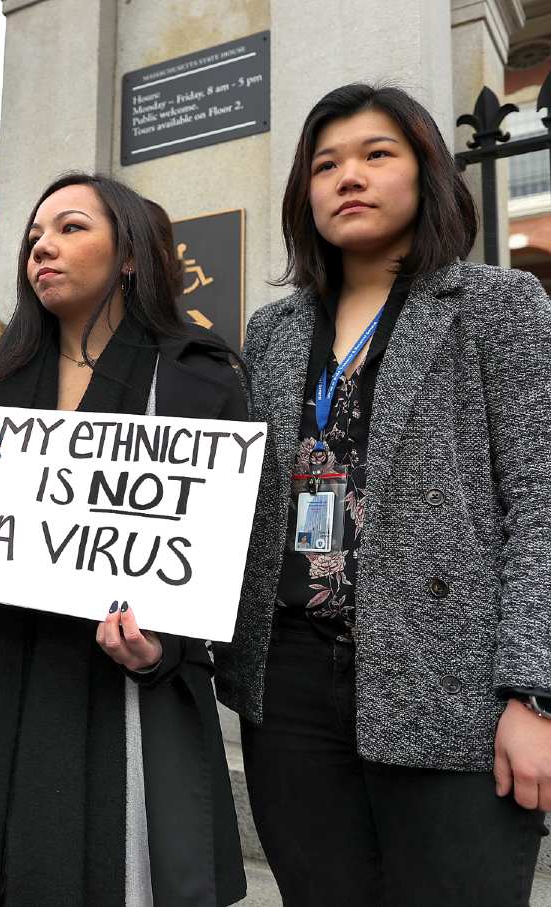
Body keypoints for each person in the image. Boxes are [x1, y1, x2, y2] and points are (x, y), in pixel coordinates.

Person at [216, 83, 551, 907]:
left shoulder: (497, 305)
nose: (348, 177)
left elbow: (542, 501)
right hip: (287, 685)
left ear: (425, 171)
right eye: (325, 164)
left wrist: (532, 693)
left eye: (376, 155)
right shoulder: (275, 328)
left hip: (451, 679)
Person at [0, 172, 246, 907]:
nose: (42, 249)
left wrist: (166, 647)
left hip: (118, 690)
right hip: (4, 667)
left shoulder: (197, 377)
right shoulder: (0, 378)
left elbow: (219, 552)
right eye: (33, 238)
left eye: (70, 229)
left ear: (129, 255)